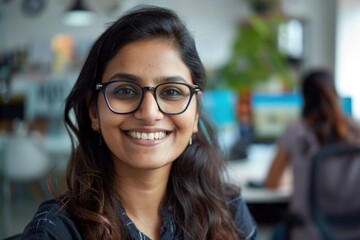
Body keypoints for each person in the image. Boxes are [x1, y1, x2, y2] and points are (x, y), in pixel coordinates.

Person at [20, 5, 258, 240]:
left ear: (195, 112)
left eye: (172, 92)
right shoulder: (55, 232)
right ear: (94, 111)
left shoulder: (228, 210)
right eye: (125, 91)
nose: (149, 113)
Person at [264, 68, 360, 240]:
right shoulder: (355, 131)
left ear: (304, 98)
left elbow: (272, 182)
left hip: (308, 232)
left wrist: (298, 176)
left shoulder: (296, 131)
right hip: (353, 231)